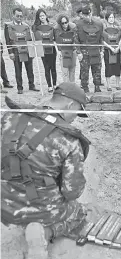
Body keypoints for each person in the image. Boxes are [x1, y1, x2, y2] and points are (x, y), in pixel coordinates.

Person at [1, 82, 93, 259]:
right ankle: (45, 233)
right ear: (70, 105)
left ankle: (22, 219)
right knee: (78, 212)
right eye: (77, 113)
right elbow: (72, 191)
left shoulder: (9, 118)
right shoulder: (68, 140)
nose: (75, 119)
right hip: (42, 206)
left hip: (5, 201)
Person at [4, 7, 39, 94]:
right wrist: (10, 53)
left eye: (21, 16)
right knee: (18, 69)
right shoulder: (8, 26)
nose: (19, 17)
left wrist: (32, 52)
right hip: (16, 51)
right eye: (17, 16)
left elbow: (30, 39)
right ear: (13, 16)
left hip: (26, 50)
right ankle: (20, 88)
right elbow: (8, 40)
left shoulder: (26, 26)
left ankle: (32, 85)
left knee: (30, 69)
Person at [74, 6, 104, 93]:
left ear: (91, 13)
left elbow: (101, 38)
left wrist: (102, 50)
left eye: (89, 14)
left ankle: (97, 87)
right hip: (84, 52)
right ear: (82, 15)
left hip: (96, 51)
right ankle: (85, 88)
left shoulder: (99, 24)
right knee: (84, 72)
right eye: (85, 15)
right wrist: (78, 52)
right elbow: (76, 40)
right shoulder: (78, 25)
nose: (87, 16)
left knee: (97, 70)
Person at [32, 9, 57, 92]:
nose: (42, 17)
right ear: (38, 18)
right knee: (47, 67)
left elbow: (55, 37)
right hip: (42, 49)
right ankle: (49, 86)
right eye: (40, 16)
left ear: (46, 16)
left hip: (52, 48)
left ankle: (54, 84)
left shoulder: (52, 25)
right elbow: (35, 37)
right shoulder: (36, 27)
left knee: (53, 67)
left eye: (43, 15)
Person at [54, 14, 77, 83]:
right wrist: (58, 52)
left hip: (72, 51)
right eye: (62, 23)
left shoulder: (73, 28)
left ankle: (72, 87)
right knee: (65, 71)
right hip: (62, 52)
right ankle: (66, 87)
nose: (65, 24)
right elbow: (54, 41)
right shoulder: (56, 30)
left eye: (66, 22)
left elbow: (76, 40)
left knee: (72, 70)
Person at [103, 12, 121, 91]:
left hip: (117, 50)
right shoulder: (103, 29)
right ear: (107, 19)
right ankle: (109, 85)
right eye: (110, 17)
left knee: (117, 67)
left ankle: (117, 84)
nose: (111, 19)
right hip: (108, 50)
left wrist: (118, 47)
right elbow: (102, 40)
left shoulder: (118, 28)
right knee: (108, 67)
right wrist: (110, 47)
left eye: (113, 17)